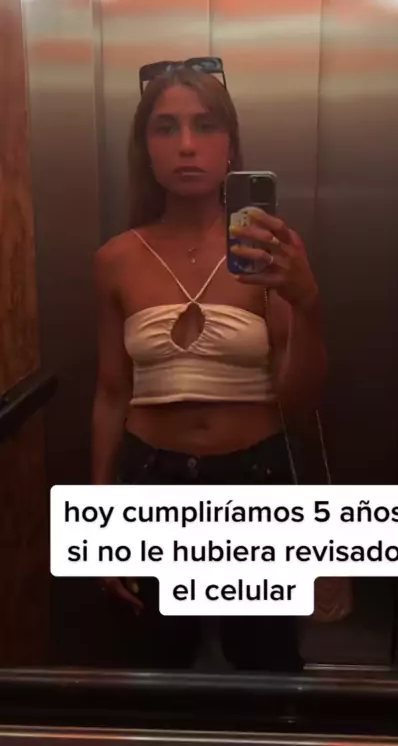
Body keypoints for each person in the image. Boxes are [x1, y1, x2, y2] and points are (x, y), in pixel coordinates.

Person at [91, 59, 327, 671]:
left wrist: (307, 304)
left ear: (231, 146)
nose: (187, 145)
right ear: (145, 147)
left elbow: (298, 400)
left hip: (256, 481)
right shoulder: (117, 259)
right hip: (150, 482)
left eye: (205, 125)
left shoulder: (270, 248)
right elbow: (111, 393)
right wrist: (99, 520)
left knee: (266, 667)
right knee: (155, 665)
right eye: (166, 127)